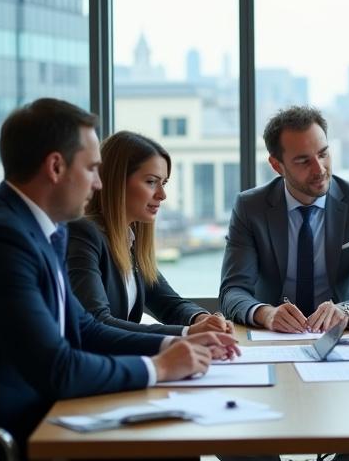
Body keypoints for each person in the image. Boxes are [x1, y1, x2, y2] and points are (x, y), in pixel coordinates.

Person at [0, 98, 238, 451]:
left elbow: (85, 329)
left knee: (178, 437)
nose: (99, 184)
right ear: (55, 167)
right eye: (91, 169)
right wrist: (160, 368)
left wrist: (175, 344)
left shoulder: (42, 231)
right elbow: (57, 369)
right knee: (174, 441)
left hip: (43, 416)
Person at [219, 105, 349, 332]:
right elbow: (232, 291)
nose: (319, 169)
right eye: (303, 161)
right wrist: (266, 314)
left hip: (341, 333)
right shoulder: (250, 207)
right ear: (277, 165)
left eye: (323, 154)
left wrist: (347, 310)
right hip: (273, 335)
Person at [67, 131, 233, 336]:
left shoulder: (129, 240)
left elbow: (169, 304)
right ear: (117, 181)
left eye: (164, 183)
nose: (162, 195)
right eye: (151, 182)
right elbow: (97, 322)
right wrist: (186, 333)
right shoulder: (84, 234)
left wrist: (203, 320)